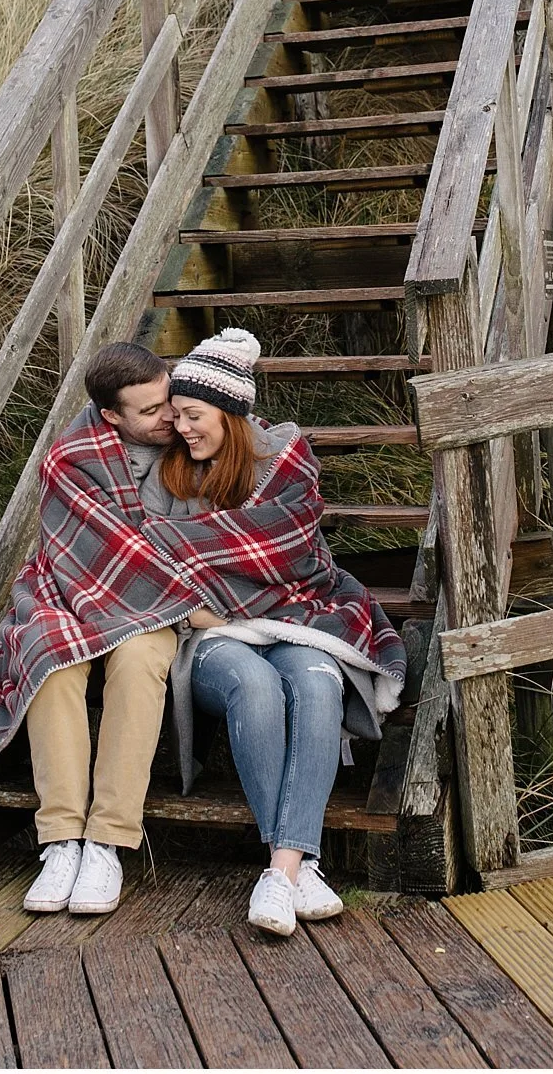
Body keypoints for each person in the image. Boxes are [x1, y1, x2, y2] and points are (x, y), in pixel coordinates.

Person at [138, 328, 407, 938]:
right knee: (256, 686)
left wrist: (218, 580)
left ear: (232, 414)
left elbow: (294, 556)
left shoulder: (285, 464)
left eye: (193, 415)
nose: (182, 428)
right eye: (176, 415)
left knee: (315, 682)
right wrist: (207, 613)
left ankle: (281, 871)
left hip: (297, 612)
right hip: (206, 633)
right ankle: (298, 866)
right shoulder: (167, 478)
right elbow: (151, 566)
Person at [0, 341, 219, 920]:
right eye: (150, 412)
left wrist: (179, 600)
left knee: (140, 661)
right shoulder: (72, 458)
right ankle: (62, 839)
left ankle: (108, 842)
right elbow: (85, 548)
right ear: (111, 417)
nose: (169, 417)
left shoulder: (189, 441)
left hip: (157, 603)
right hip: (70, 586)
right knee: (50, 653)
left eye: (168, 400)